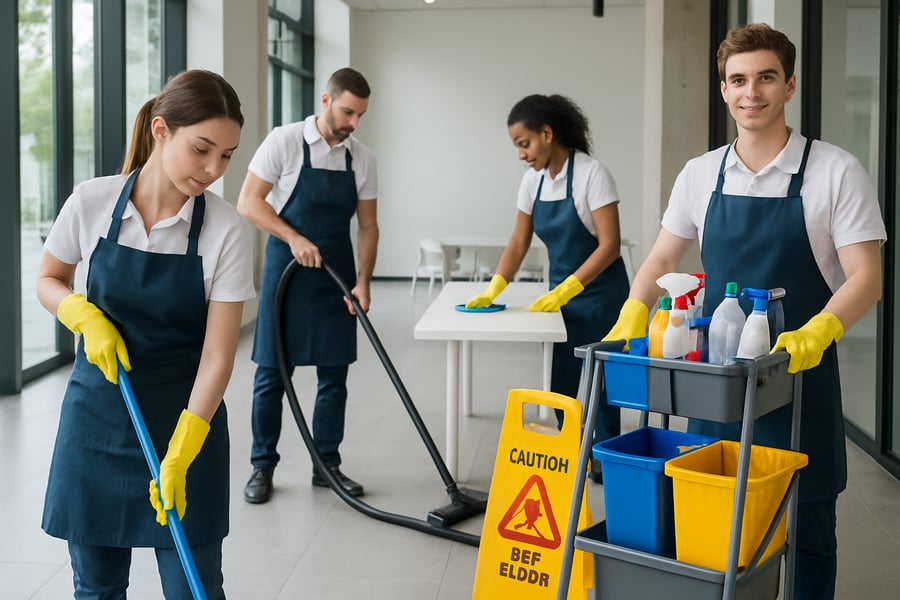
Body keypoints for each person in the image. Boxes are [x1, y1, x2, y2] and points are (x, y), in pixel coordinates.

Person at [604, 23, 885, 599]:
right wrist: (635, 308)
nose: (750, 92)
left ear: (790, 86)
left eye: (765, 78)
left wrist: (820, 329)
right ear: (724, 88)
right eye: (737, 80)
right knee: (714, 522)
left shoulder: (835, 171)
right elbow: (662, 255)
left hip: (801, 375)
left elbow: (867, 277)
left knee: (808, 527)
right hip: (717, 383)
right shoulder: (700, 173)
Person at [37, 69, 254, 598]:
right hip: (97, 420)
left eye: (226, 156)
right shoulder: (92, 201)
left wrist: (184, 447)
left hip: (185, 424)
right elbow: (49, 279)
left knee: (193, 585)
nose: (212, 169)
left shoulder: (226, 229)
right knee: (98, 587)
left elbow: (218, 356)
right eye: (201, 149)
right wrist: (80, 314)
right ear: (160, 130)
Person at [467, 94, 630, 478]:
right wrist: (495, 287)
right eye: (517, 147)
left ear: (546, 133)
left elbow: (610, 245)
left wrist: (569, 287)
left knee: (600, 385)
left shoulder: (592, 174)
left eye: (524, 144)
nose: (521, 155)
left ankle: (605, 464)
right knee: (560, 380)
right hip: (560, 300)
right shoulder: (532, 181)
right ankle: (571, 453)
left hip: (602, 296)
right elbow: (519, 242)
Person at [238, 67, 378, 503]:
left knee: (334, 376)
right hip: (287, 275)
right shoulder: (284, 141)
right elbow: (248, 202)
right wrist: (294, 238)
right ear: (325, 100)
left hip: (336, 274)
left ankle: (327, 466)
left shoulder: (363, 159)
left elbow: (369, 227)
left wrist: (363, 282)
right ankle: (262, 467)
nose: (353, 123)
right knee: (271, 376)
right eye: (347, 111)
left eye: (360, 115)